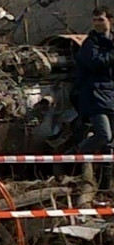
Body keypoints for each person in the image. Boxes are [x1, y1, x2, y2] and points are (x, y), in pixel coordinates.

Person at [76, 6, 114, 186]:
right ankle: (73, 158)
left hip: (111, 96)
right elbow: (96, 63)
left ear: (110, 21)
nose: (98, 23)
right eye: (95, 20)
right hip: (94, 96)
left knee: (110, 145)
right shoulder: (90, 43)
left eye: (101, 20)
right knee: (104, 135)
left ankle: (106, 185)